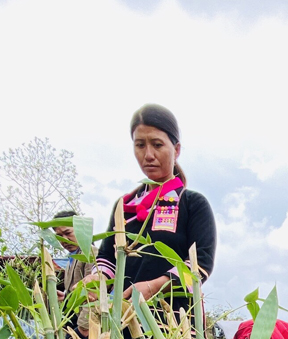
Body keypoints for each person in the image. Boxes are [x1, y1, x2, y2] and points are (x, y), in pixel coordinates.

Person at [93, 104, 216, 313]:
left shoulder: (191, 203)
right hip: (126, 321)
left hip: (176, 326)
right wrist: (96, 280)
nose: (148, 155)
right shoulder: (124, 206)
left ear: (176, 150)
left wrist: (154, 286)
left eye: (157, 145)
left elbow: (199, 267)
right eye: (140, 145)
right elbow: (106, 259)